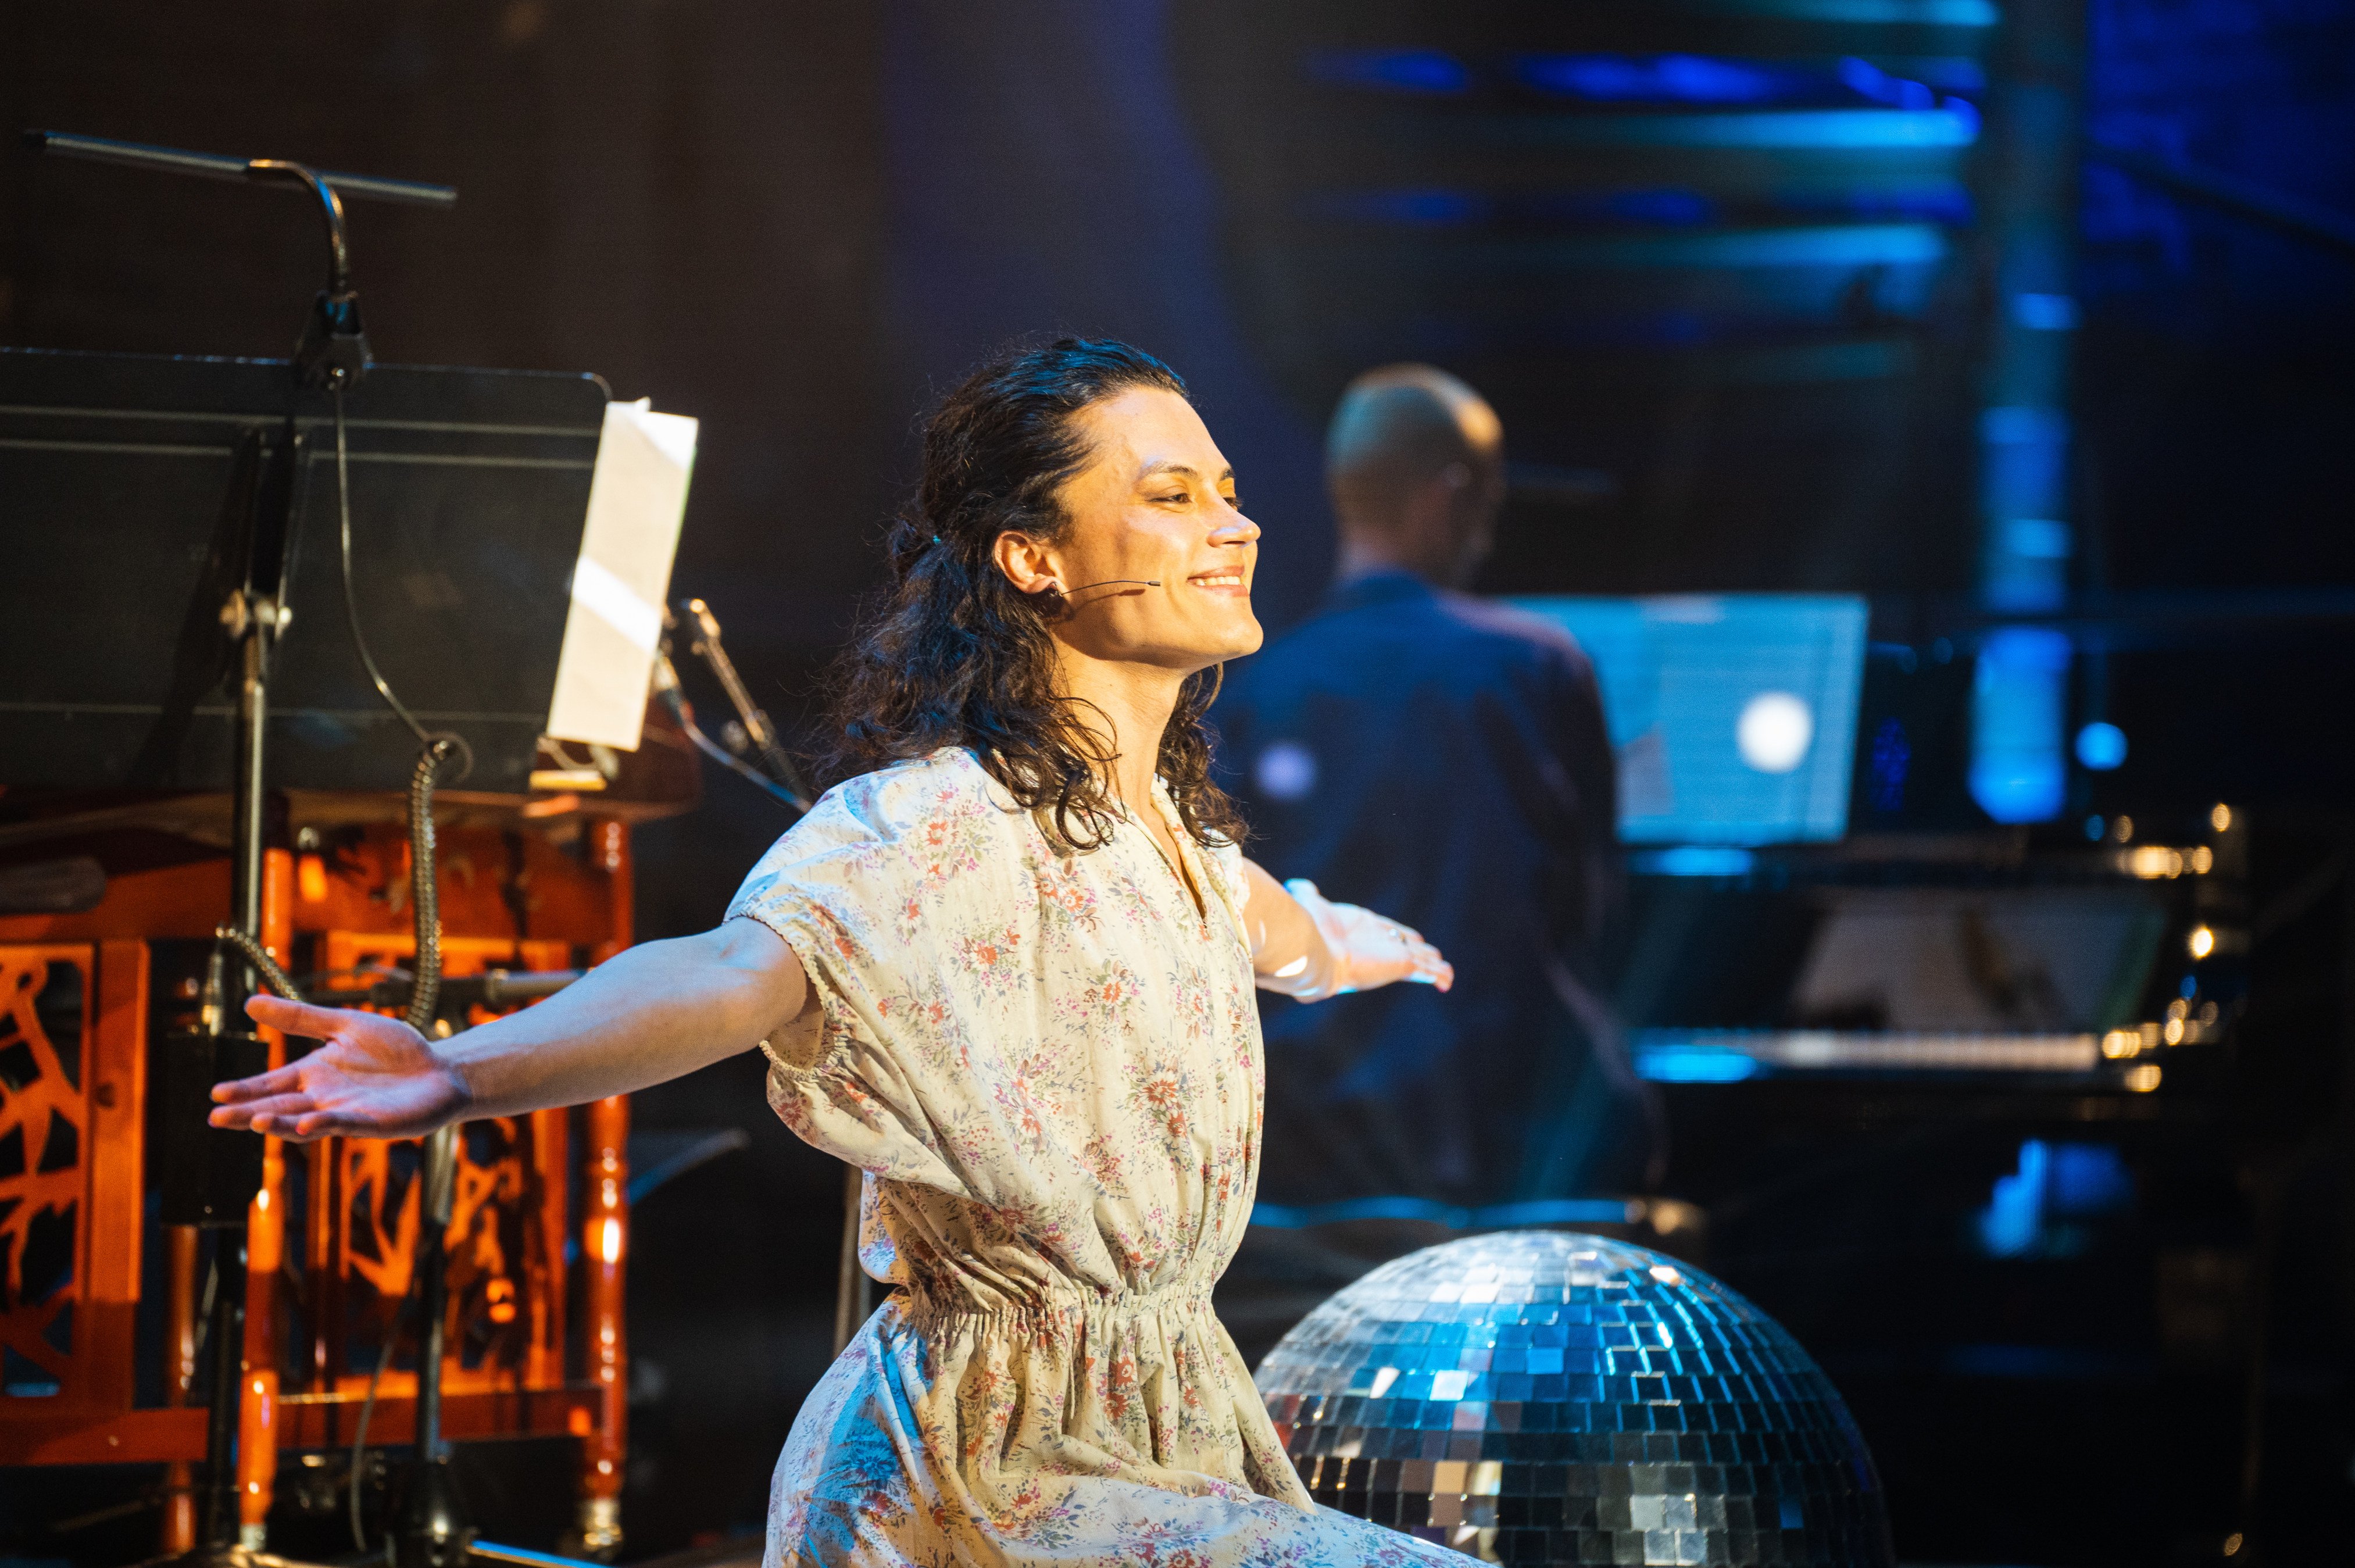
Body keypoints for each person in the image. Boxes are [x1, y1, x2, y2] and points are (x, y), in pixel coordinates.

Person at [211, 340, 1472, 1568]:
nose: (1232, 526)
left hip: (1173, 1422)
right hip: (988, 1469)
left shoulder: (1177, 847)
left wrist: (1356, 949)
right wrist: (459, 1069)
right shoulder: (937, 828)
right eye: (1171, 496)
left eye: (1229, 494)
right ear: (1031, 556)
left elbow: (1276, 931)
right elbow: (729, 972)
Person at [1207, 364, 1645, 1213]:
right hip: (1506, 1150)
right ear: (1452, 496)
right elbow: (1595, 921)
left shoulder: (1256, 690)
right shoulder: (1537, 665)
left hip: (1306, 1155)